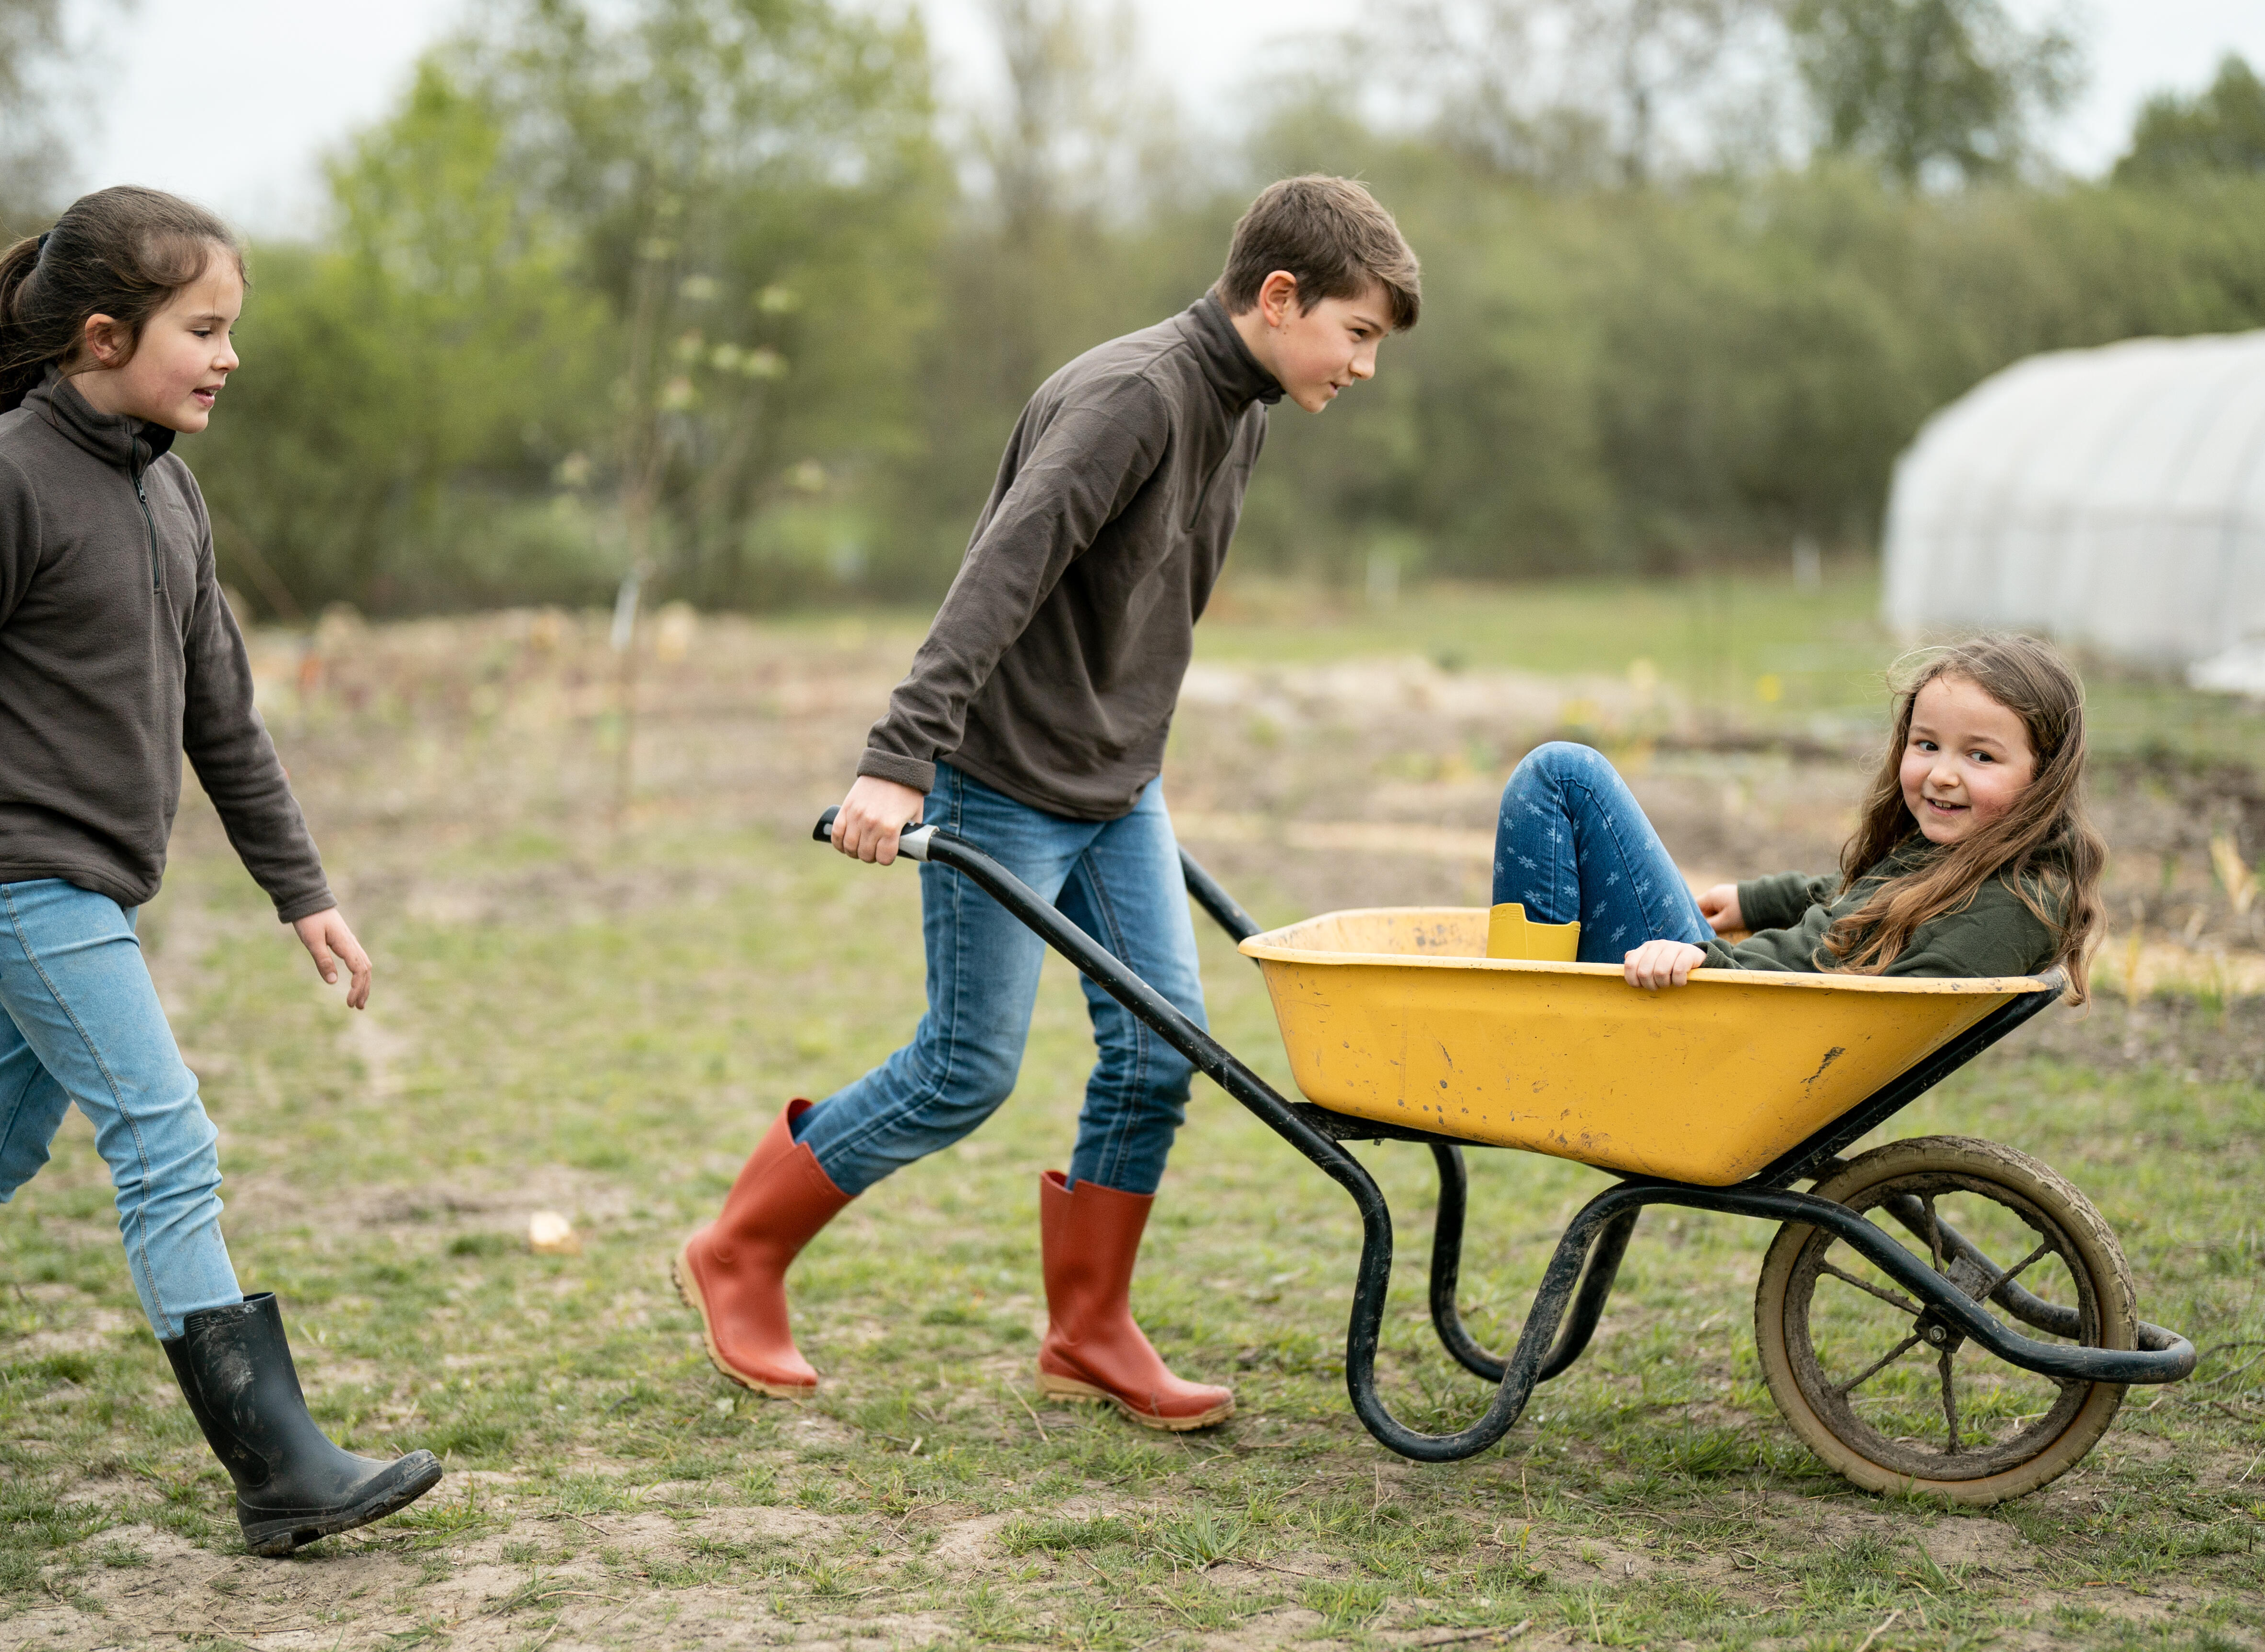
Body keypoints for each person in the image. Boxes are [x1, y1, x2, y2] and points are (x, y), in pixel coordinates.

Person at [675, 177, 1421, 1430]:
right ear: (1280, 296)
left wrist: (1138, 754)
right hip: (1004, 771)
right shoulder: (1134, 396)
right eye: (1357, 333)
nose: (1364, 366)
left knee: (1158, 1050)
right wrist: (898, 757)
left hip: (1116, 782)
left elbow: (1153, 613)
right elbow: (997, 578)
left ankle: (1089, 1330)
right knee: (967, 1067)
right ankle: (738, 1252)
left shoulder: (1243, 408)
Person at [0, 186, 441, 1555]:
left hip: (88, 881)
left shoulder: (169, 491)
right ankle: (280, 1469)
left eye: (230, 329)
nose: (228, 356)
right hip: (14, 876)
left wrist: (303, 891)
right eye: (203, 328)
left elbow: (225, 722)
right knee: (165, 1132)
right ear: (100, 335)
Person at [1492, 633, 2105, 995]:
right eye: (1927, 745)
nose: (1943, 773)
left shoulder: (2007, 910)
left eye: (1980, 755)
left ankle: (1515, 1017)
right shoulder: (1974, 859)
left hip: (1717, 1017)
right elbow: (1866, 903)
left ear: (2043, 775)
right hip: (1729, 1001)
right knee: (1566, 776)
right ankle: (1523, 1003)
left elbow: (1861, 1003)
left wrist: (1710, 961)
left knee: (1564, 775)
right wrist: (1758, 902)